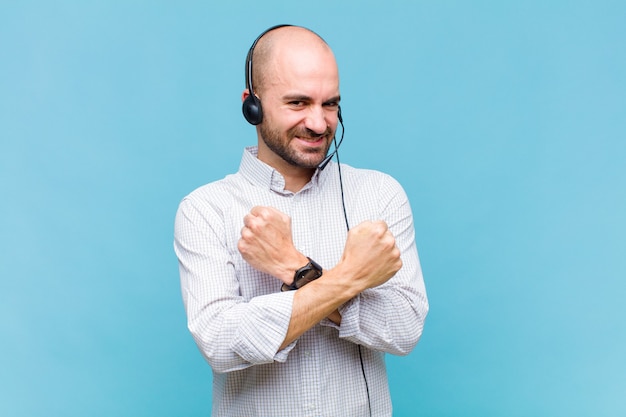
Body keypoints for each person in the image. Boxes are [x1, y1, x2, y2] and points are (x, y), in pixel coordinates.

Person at [174, 24, 428, 417]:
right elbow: (220, 341)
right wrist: (350, 279)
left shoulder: (379, 195)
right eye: (298, 103)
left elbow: (405, 328)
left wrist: (295, 267)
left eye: (330, 104)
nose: (319, 123)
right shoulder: (206, 208)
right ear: (251, 105)